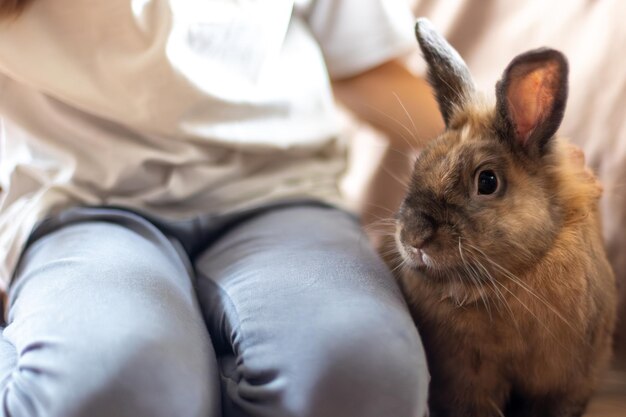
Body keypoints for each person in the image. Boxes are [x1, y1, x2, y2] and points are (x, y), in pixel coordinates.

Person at [0, 1, 445, 416]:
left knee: (365, 372)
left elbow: (363, 68)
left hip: (279, 193)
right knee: (113, 385)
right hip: (81, 201)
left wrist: (498, 144)